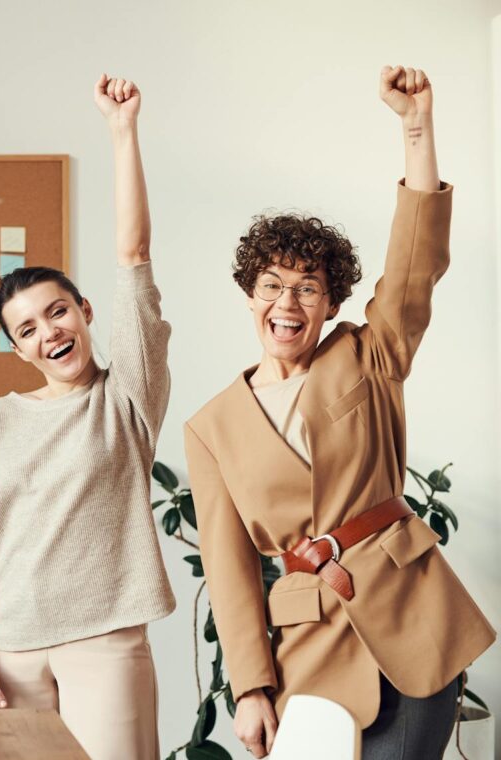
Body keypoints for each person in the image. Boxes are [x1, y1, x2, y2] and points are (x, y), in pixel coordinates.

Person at [184, 66, 495, 759]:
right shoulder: (211, 428)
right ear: (249, 294)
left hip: (414, 620)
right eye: (271, 285)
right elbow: (229, 569)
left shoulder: (367, 355)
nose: (287, 304)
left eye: (308, 288)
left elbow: (415, 268)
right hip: (310, 647)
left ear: (331, 304)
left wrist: (416, 129)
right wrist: (251, 688)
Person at [0, 76, 173, 759]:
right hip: (9, 649)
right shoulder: (1, 419)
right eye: (26, 328)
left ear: (84, 313)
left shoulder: (126, 397)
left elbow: (133, 257)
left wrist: (121, 133)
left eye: (57, 311)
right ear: (17, 349)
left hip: (104, 641)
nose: (47, 331)